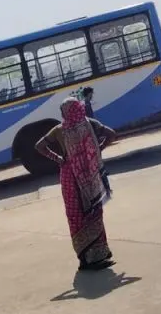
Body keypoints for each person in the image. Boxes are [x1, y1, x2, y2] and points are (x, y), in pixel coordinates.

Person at [35, 98, 117, 271]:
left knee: (77, 216)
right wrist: (98, 148)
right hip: (90, 176)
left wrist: (57, 158)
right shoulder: (90, 123)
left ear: (65, 112)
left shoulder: (59, 130)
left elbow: (39, 146)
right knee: (94, 213)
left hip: (70, 177)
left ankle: (85, 260)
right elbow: (112, 134)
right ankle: (99, 255)